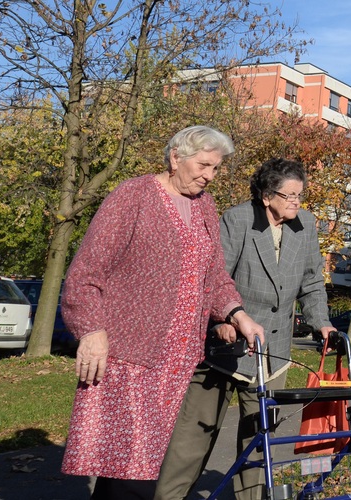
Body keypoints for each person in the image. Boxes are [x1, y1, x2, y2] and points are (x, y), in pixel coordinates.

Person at [59, 125, 265, 500]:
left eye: (215, 168)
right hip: (130, 357)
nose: (209, 175)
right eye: (203, 165)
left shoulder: (205, 205)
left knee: (136, 468)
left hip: (179, 361)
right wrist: (90, 330)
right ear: (175, 158)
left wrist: (237, 314)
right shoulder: (133, 195)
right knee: (131, 475)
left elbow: (214, 277)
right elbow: (87, 272)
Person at [154, 158, 336, 500]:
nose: (297, 202)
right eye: (290, 195)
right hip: (226, 346)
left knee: (258, 441)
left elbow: (312, 283)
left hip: (273, 351)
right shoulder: (237, 220)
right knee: (193, 439)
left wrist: (321, 322)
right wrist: (223, 320)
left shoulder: (306, 225)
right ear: (267, 196)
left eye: (300, 195)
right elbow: (210, 279)